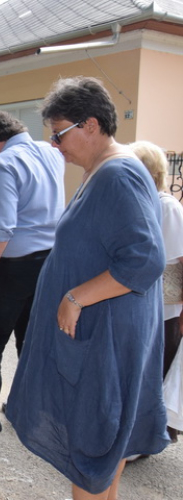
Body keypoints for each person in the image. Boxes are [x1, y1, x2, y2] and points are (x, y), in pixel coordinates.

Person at [6, 77, 168, 500]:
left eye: (59, 134)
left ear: (90, 125)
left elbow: (144, 259)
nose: (55, 145)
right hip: (101, 337)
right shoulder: (103, 171)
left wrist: (76, 297)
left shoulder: (118, 175)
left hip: (105, 341)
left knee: (91, 447)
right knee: (100, 456)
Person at [0, 110, 65, 452]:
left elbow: (1, 228)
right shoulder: (51, 152)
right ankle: (33, 412)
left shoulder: (3, 164)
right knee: (31, 344)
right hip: (50, 262)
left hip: (12, 267)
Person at [129, 140, 183, 444]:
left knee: (155, 375)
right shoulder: (141, 202)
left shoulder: (167, 207)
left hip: (164, 310)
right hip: (140, 305)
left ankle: (149, 437)